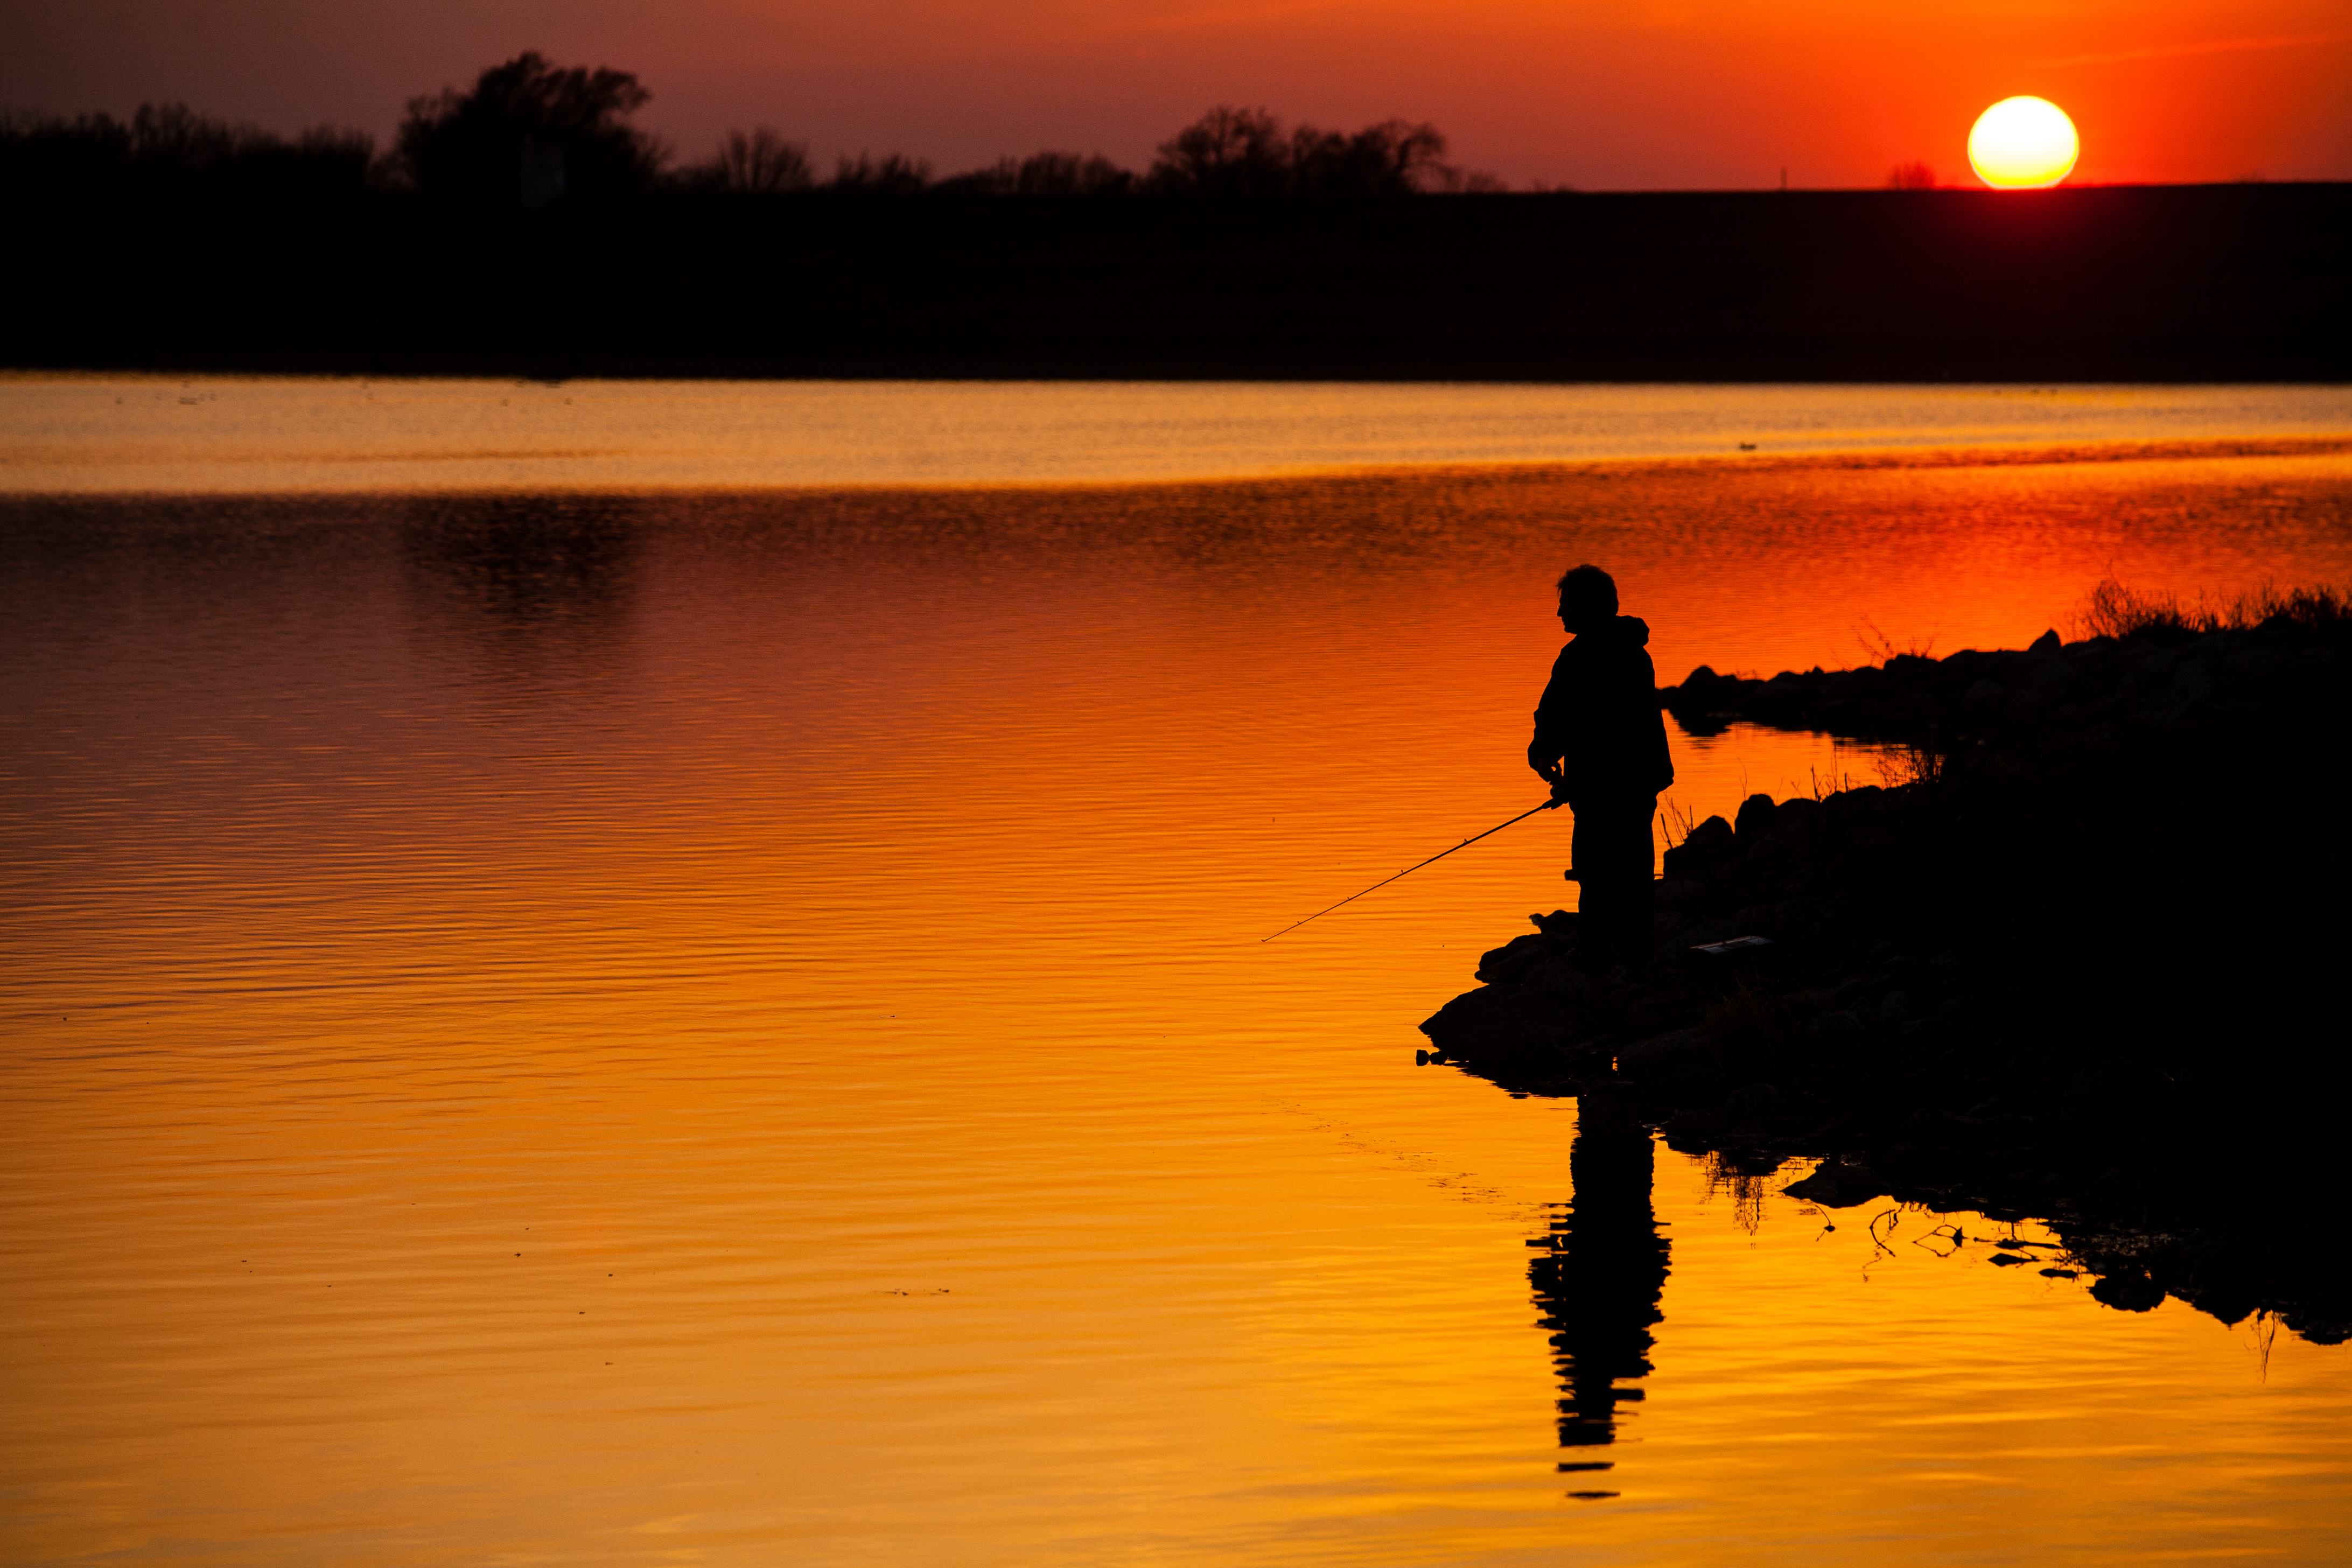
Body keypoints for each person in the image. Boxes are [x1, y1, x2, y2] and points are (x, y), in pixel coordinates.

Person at [1528, 565, 1674, 974]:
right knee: (1591, 870)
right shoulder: (1573, 656)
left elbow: (1611, 729)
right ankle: (1593, 951)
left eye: (1568, 605)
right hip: (1589, 789)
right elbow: (1553, 713)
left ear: (1593, 607)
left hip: (1629, 784)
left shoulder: (1629, 656)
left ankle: (1635, 961)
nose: (1560, 613)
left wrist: (1576, 780)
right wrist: (1543, 754)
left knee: (1627, 873)